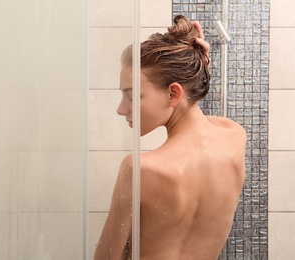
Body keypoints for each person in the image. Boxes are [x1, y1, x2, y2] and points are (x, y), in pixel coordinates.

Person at [94, 15, 246, 260]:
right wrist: (198, 65)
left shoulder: (139, 170)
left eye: (132, 96)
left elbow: (107, 258)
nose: (121, 109)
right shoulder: (234, 136)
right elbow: (197, 115)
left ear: (173, 93)